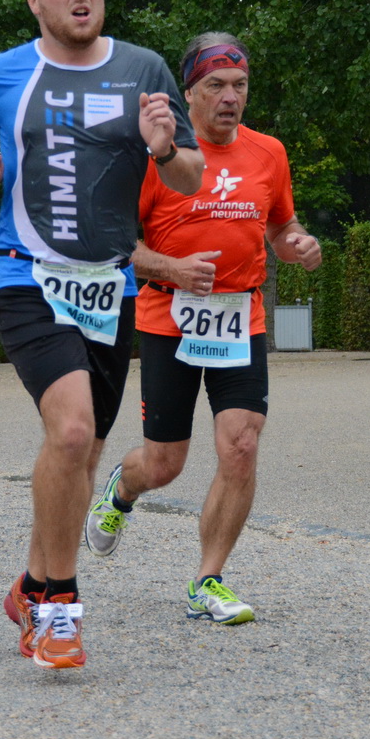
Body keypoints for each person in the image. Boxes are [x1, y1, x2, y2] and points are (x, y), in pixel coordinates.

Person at [0, 0, 203, 669]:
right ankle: (59, 606)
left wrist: (161, 147)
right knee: (71, 430)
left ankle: (27, 585)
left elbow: (188, 177)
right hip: (26, 274)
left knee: (82, 454)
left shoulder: (142, 68)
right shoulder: (0, 74)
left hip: (108, 286)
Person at [83, 33, 322, 625]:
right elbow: (114, 242)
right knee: (166, 464)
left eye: (239, 86)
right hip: (167, 318)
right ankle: (123, 488)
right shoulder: (152, 158)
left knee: (241, 445)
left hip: (241, 317)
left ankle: (207, 579)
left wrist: (298, 246)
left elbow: (281, 228)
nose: (229, 97)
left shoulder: (269, 152)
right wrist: (169, 267)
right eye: (215, 85)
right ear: (187, 93)